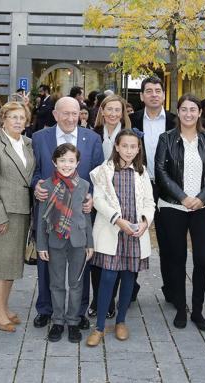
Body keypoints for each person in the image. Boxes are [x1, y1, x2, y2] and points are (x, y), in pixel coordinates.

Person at [31, 97, 104, 331]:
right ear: (55, 115)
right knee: (47, 265)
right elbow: (33, 173)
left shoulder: (92, 139)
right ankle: (46, 309)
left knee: (79, 267)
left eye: (75, 113)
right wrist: (37, 186)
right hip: (49, 213)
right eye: (65, 113)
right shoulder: (39, 138)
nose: (71, 118)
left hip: (79, 215)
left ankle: (78, 312)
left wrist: (92, 196)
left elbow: (98, 176)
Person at [155, 93, 205, 330]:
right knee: (177, 258)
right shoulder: (166, 139)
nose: (188, 114)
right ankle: (181, 308)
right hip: (173, 206)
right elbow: (161, 172)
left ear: (200, 112)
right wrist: (183, 197)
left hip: (202, 208)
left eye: (193, 109)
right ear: (178, 111)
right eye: (184, 109)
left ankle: (198, 310)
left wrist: (202, 198)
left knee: (202, 259)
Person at [86, 129, 155, 346]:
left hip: (134, 233)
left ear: (138, 149)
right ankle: (98, 326)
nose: (128, 150)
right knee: (107, 277)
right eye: (124, 146)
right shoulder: (103, 172)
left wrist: (145, 222)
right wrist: (118, 220)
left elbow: (149, 202)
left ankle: (121, 321)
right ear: (116, 146)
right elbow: (98, 200)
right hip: (112, 231)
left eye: (133, 147)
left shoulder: (141, 172)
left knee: (128, 278)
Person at [0, 101, 35, 332]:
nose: (18, 121)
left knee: (11, 264)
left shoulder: (28, 143)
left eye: (22, 117)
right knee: (0, 265)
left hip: (22, 211)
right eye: (13, 117)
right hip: (2, 213)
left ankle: (4, 307)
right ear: (3, 118)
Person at [36, 143, 93, 343]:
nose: (66, 165)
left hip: (78, 240)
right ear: (54, 162)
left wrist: (90, 243)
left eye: (71, 161)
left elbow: (86, 217)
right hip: (55, 240)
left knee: (76, 284)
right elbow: (42, 217)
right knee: (57, 284)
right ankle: (58, 321)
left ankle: (73, 321)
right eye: (62, 160)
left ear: (78, 162)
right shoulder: (46, 186)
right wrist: (41, 245)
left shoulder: (84, 185)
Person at [129, 76, 177, 304]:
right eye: (149, 91)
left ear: (164, 94)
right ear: (142, 96)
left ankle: (171, 289)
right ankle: (131, 288)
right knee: (135, 236)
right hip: (139, 184)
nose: (154, 94)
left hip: (168, 187)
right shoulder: (132, 120)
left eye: (158, 90)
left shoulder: (176, 121)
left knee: (170, 240)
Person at [89, 94, 132, 318]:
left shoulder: (131, 135)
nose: (113, 114)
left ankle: (111, 300)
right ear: (102, 112)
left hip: (122, 202)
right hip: (98, 200)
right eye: (109, 110)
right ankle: (97, 299)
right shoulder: (92, 134)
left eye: (118, 110)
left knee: (117, 253)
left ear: (123, 113)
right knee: (98, 252)